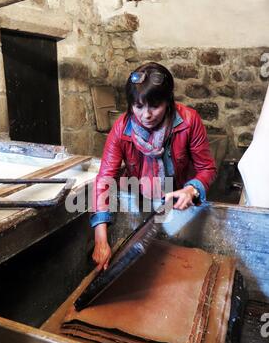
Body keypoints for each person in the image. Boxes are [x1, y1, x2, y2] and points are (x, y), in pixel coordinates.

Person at [91, 62, 217, 271]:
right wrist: (101, 239)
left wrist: (191, 189)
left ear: (168, 102)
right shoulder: (122, 128)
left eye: (154, 106)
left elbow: (207, 169)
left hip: (179, 203)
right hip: (142, 200)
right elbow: (104, 179)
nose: (146, 115)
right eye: (138, 106)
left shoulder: (188, 121)